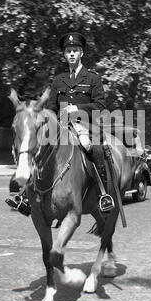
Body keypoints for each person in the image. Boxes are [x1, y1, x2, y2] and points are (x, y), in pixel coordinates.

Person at [47, 32, 114, 212]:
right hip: (61, 127)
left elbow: (100, 105)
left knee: (97, 149)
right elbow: (50, 108)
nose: (71, 54)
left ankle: (103, 195)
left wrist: (77, 109)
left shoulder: (93, 78)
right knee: (39, 148)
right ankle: (26, 194)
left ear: (81, 53)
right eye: (68, 51)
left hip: (87, 127)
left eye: (75, 50)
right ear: (64, 54)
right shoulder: (57, 80)